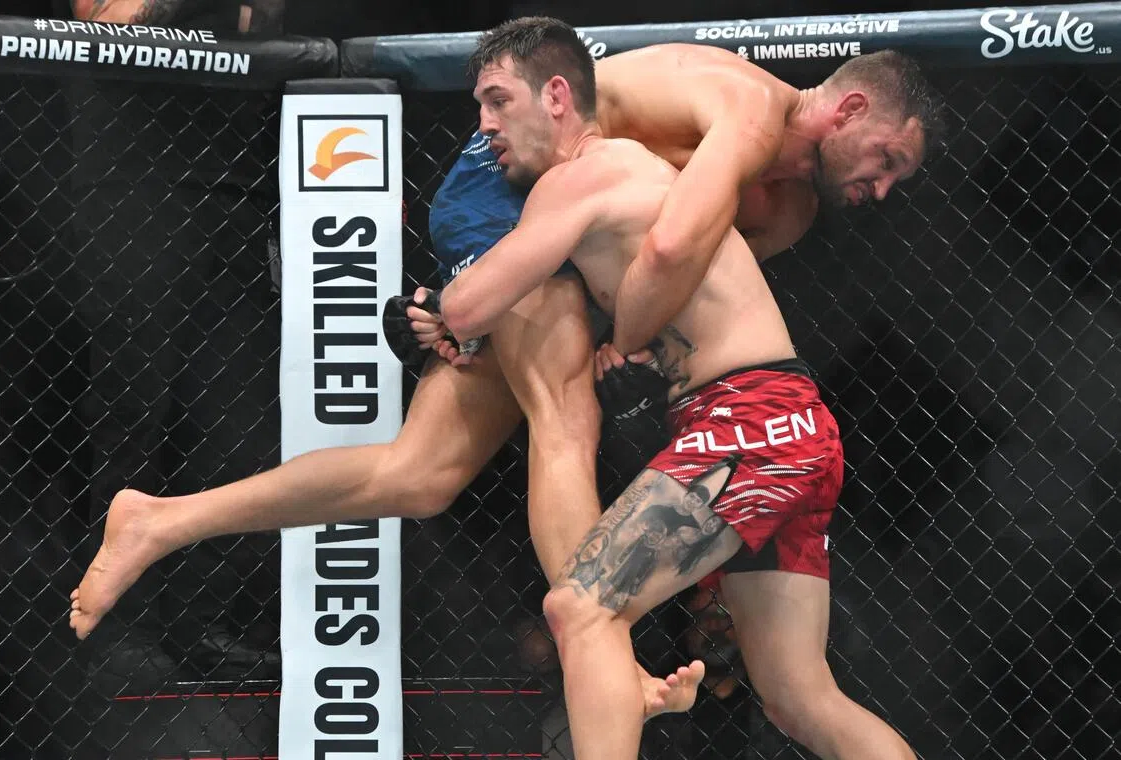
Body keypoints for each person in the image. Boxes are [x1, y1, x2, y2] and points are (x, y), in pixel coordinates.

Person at [70, 15, 938, 715]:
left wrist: (618, 330)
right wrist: (594, 329)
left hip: (577, 244)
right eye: (887, 159)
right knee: (565, 413)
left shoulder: (789, 213)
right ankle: (600, 659)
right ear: (850, 110)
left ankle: (159, 519)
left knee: (420, 473)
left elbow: (676, 279)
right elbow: (669, 248)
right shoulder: (747, 111)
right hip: (512, 189)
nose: (882, 187)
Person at [414, 17, 932, 760]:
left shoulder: (598, 171)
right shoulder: (687, 169)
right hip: (792, 424)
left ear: (556, 99)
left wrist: (436, 312)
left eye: (500, 106)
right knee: (799, 697)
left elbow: (470, 306)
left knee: (582, 608)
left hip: (750, 422)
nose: (487, 131)